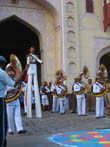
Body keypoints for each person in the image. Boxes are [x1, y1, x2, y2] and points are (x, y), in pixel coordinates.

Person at [0, 56, 28, 147]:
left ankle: (19, 128)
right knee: (6, 119)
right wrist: (24, 71)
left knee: (17, 115)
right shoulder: (2, 73)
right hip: (4, 100)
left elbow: (19, 85)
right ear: (3, 64)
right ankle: (6, 136)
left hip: (15, 99)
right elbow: (12, 84)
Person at [5, 66, 26, 135]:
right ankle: (11, 129)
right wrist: (9, 91)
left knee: (18, 115)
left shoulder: (16, 80)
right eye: (9, 71)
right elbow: (2, 90)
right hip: (9, 100)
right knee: (10, 116)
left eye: (12, 71)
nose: (11, 73)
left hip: (16, 100)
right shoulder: (5, 81)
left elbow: (24, 85)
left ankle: (20, 129)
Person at [27, 46, 42, 118]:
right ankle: (29, 113)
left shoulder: (35, 56)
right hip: (30, 68)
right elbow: (27, 63)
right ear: (30, 50)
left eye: (33, 50)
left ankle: (38, 114)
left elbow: (38, 60)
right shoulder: (28, 56)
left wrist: (41, 61)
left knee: (35, 82)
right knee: (29, 84)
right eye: (31, 50)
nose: (32, 51)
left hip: (34, 68)